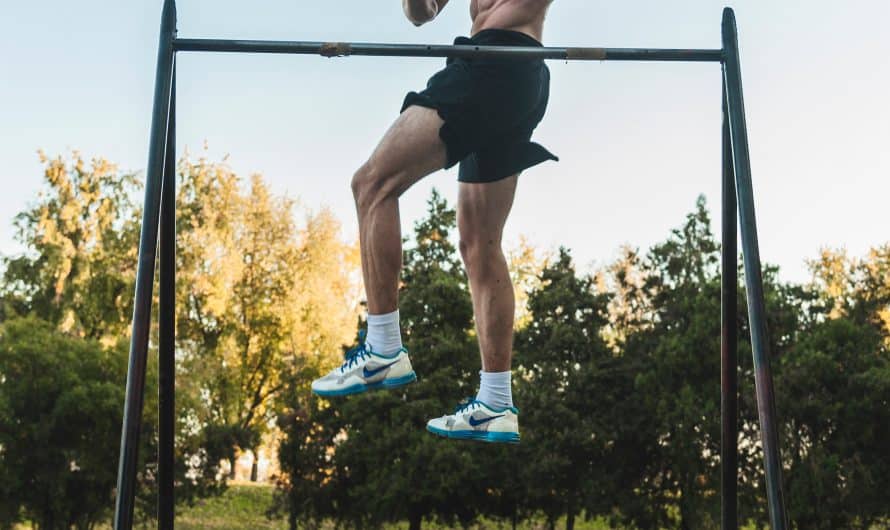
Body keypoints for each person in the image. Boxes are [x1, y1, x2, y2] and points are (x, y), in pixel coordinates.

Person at [311, 0, 557, 444]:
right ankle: (496, 403)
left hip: (499, 66)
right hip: (508, 76)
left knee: (371, 185)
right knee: (480, 243)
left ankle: (383, 347)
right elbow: (421, 12)